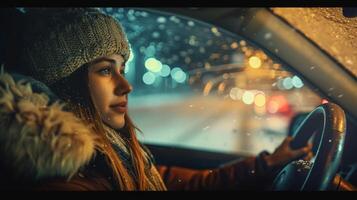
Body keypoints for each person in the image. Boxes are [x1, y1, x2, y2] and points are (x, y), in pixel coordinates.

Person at [0, 8, 312, 191]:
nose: (126, 86)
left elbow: (177, 183)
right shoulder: (67, 182)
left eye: (121, 69)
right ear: (65, 82)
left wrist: (268, 162)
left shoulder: (112, 154)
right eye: (106, 71)